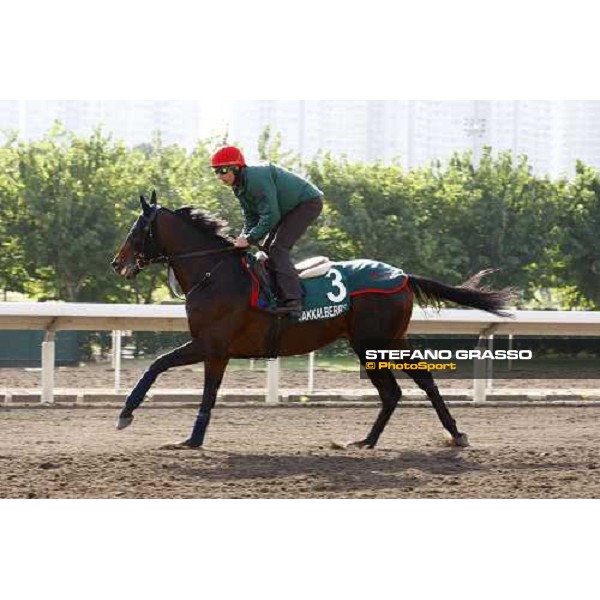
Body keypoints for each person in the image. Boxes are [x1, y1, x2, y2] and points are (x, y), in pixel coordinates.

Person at [211, 145, 323, 317]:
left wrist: (249, 238)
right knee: (265, 248)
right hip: (288, 208)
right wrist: (243, 237)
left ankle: (294, 302)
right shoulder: (239, 187)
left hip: (307, 203)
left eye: (223, 170)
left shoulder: (255, 180)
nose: (219, 176)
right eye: (216, 172)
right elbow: (251, 218)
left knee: (278, 249)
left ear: (236, 168)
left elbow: (271, 216)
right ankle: (279, 293)